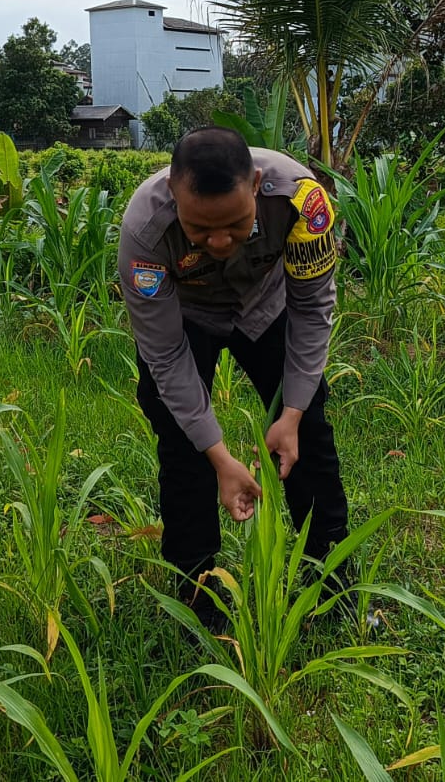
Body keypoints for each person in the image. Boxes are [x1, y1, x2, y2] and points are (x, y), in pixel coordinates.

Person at [118, 127, 348, 628]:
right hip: (189, 315)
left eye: (236, 225)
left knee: (309, 436)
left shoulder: (303, 201)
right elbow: (165, 355)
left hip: (268, 307)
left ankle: (333, 586)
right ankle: (200, 601)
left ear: (258, 184)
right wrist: (220, 457)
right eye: (200, 230)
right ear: (174, 196)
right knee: (183, 449)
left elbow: (312, 310)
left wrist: (291, 412)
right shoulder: (143, 232)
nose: (219, 242)